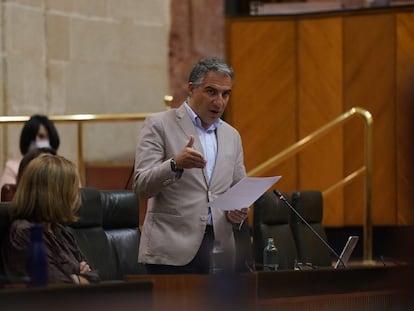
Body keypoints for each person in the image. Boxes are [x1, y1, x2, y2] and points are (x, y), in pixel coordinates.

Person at [134, 57, 249, 274]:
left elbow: (238, 188)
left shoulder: (232, 135)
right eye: (211, 92)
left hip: (220, 250)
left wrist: (240, 211)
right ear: (191, 89)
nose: (219, 102)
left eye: (226, 94)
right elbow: (141, 186)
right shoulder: (159, 125)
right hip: (172, 251)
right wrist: (175, 165)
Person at [1, 154, 98, 285]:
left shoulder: (59, 230)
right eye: (71, 189)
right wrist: (78, 277)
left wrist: (76, 278)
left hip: (77, 303)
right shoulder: (24, 233)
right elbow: (53, 284)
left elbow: (95, 276)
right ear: (54, 195)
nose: (76, 195)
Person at [0, 114, 60, 192]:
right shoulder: (12, 168)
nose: (36, 141)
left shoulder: (62, 167)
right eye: (32, 138)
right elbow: (8, 199)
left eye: (41, 136)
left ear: (51, 138)